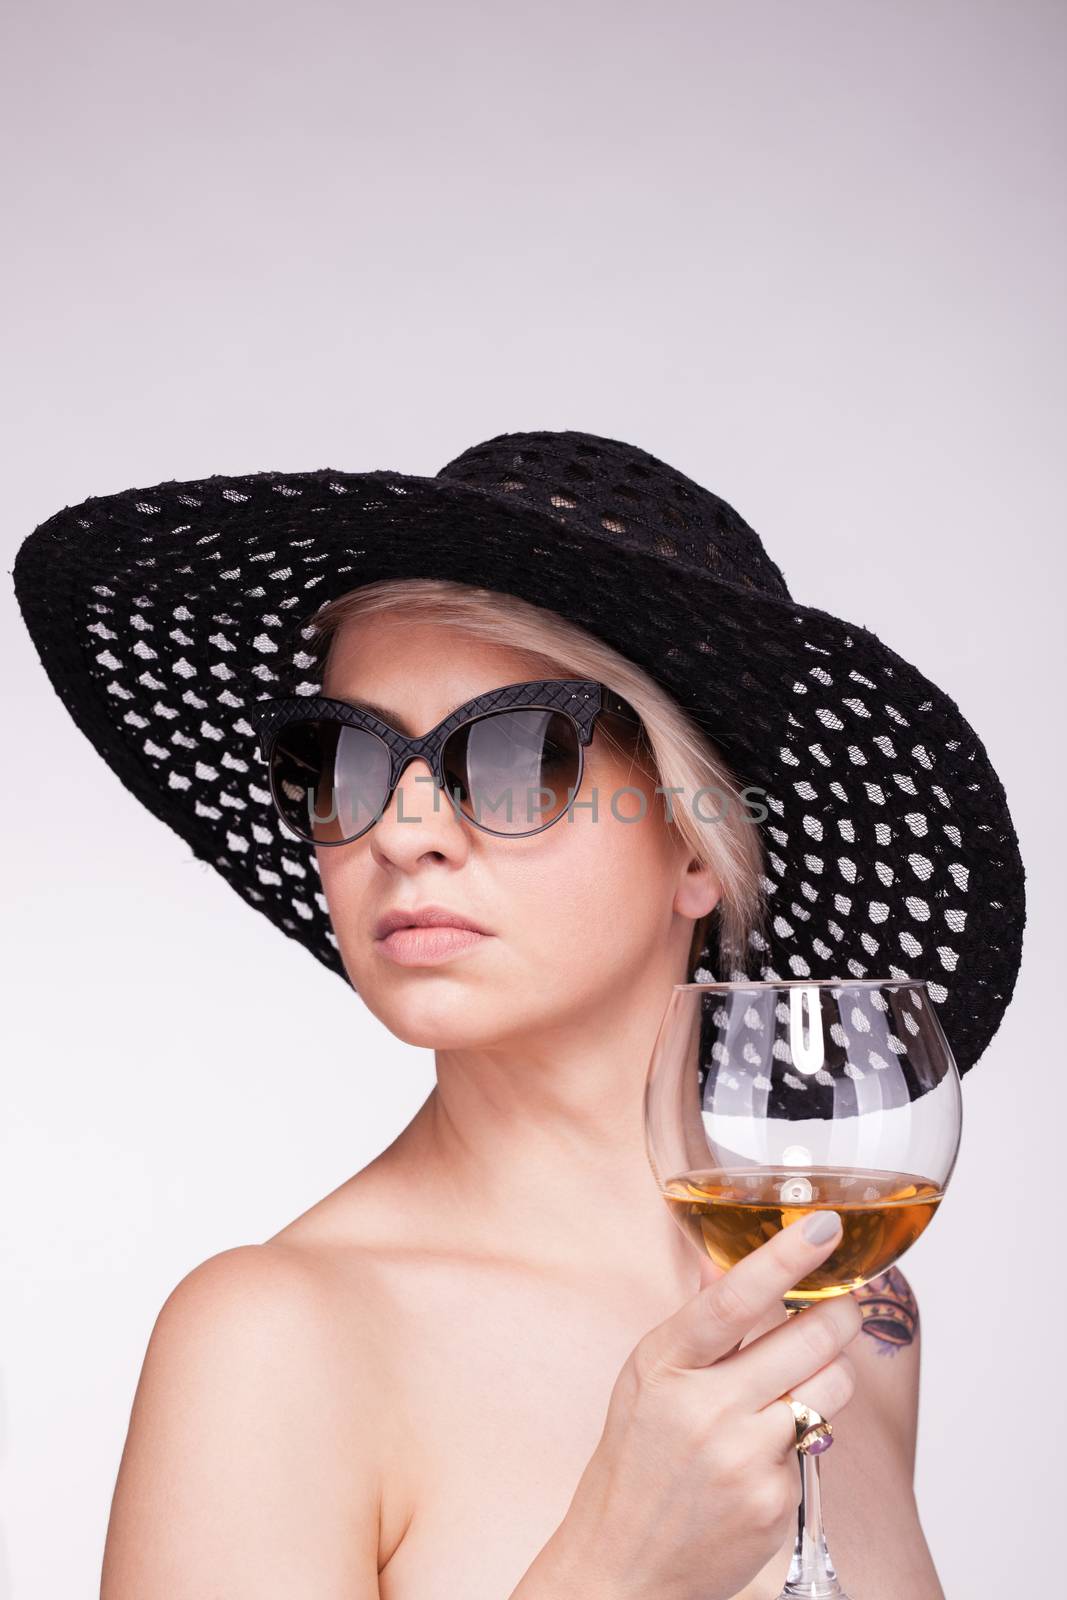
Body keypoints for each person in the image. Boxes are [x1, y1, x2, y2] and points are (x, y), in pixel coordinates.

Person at [13, 427, 1023, 1598]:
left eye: (510, 757)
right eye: (344, 758)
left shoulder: (852, 1305)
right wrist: (617, 1567)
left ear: (696, 847)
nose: (399, 828)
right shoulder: (273, 1341)